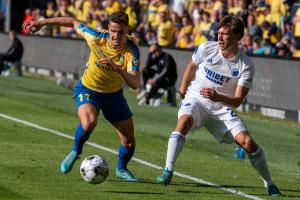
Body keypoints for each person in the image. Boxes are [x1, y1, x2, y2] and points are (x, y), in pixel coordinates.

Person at [155, 15, 282, 197]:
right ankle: (167, 171)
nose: (220, 38)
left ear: (238, 36)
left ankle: (270, 184)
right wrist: (183, 88)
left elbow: (238, 100)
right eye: (219, 33)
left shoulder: (245, 65)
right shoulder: (207, 48)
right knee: (183, 123)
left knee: (248, 143)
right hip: (197, 99)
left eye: (226, 34)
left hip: (222, 107)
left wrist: (218, 96)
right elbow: (192, 65)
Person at [23, 12, 141, 181]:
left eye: (121, 32)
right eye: (113, 31)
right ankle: (75, 151)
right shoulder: (96, 37)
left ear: (127, 30)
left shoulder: (132, 50)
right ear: (108, 28)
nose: (116, 36)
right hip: (89, 89)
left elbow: (135, 83)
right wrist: (42, 22)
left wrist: (118, 68)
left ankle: (121, 169)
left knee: (129, 141)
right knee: (89, 122)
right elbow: (72, 21)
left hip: (113, 96)